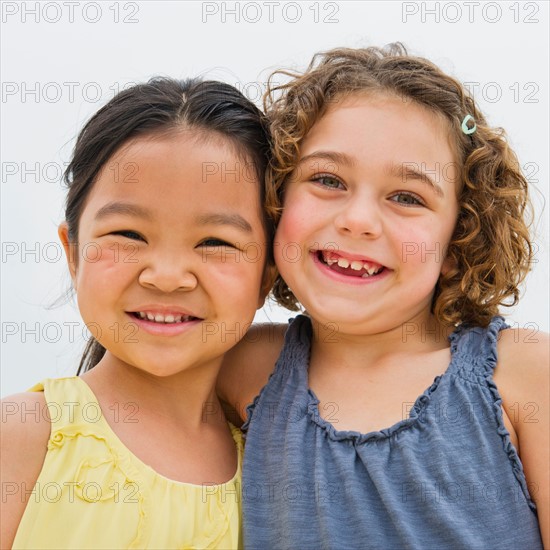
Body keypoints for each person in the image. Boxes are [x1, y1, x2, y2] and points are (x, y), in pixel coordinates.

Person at [217, 45, 549, 549]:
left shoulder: (523, 374)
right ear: (277, 200)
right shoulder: (241, 367)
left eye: (406, 197)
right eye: (327, 180)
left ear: (458, 240)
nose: (358, 220)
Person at [0, 77, 275, 549]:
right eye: (127, 235)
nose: (167, 276)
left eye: (215, 243)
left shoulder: (274, 469)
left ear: (267, 277)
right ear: (74, 253)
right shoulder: (24, 436)